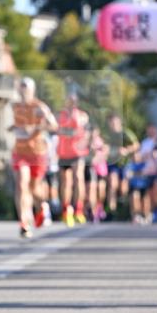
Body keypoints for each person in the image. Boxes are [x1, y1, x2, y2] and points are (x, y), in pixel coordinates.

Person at [9, 77, 57, 238]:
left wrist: (36, 126)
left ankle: (42, 206)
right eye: (21, 87)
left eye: (26, 88)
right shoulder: (15, 106)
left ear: (32, 90)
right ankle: (24, 222)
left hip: (37, 153)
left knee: (34, 189)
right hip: (20, 151)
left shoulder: (39, 107)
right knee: (21, 185)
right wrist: (15, 128)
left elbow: (54, 126)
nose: (23, 90)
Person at [56, 89, 90, 226]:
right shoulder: (61, 116)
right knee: (66, 182)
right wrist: (71, 132)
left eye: (73, 101)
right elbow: (59, 129)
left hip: (77, 153)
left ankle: (79, 209)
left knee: (78, 178)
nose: (71, 103)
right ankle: (66, 210)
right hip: (64, 153)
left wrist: (82, 138)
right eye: (69, 101)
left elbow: (85, 131)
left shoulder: (82, 115)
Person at [104, 113, 138, 218]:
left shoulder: (125, 133)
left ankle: (123, 204)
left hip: (124, 163)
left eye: (115, 123)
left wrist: (126, 150)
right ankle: (111, 210)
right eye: (111, 123)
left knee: (123, 188)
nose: (113, 125)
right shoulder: (107, 135)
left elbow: (136, 145)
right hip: (113, 163)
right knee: (112, 185)